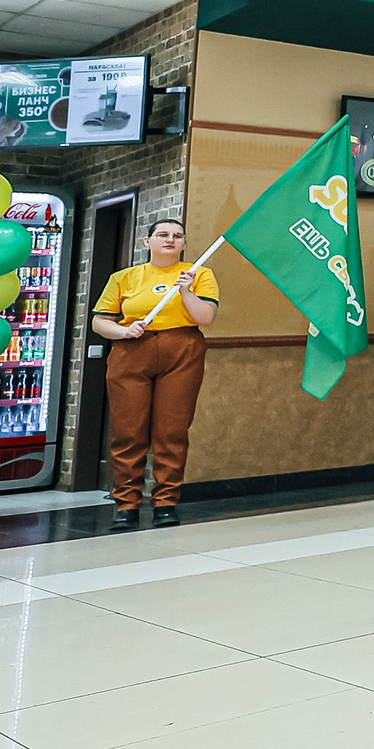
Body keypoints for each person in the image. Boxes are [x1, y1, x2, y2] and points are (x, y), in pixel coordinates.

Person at [90, 218, 217, 531]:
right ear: (147, 242)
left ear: (184, 243)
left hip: (182, 350)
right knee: (129, 432)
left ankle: (165, 503)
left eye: (177, 236)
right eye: (162, 235)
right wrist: (121, 330)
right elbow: (99, 322)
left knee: (171, 432)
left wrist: (187, 292)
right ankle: (126, 506)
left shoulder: (199, 273)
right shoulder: (125, 277)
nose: (170, 240)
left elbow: (206, 317)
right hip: (132, 351)